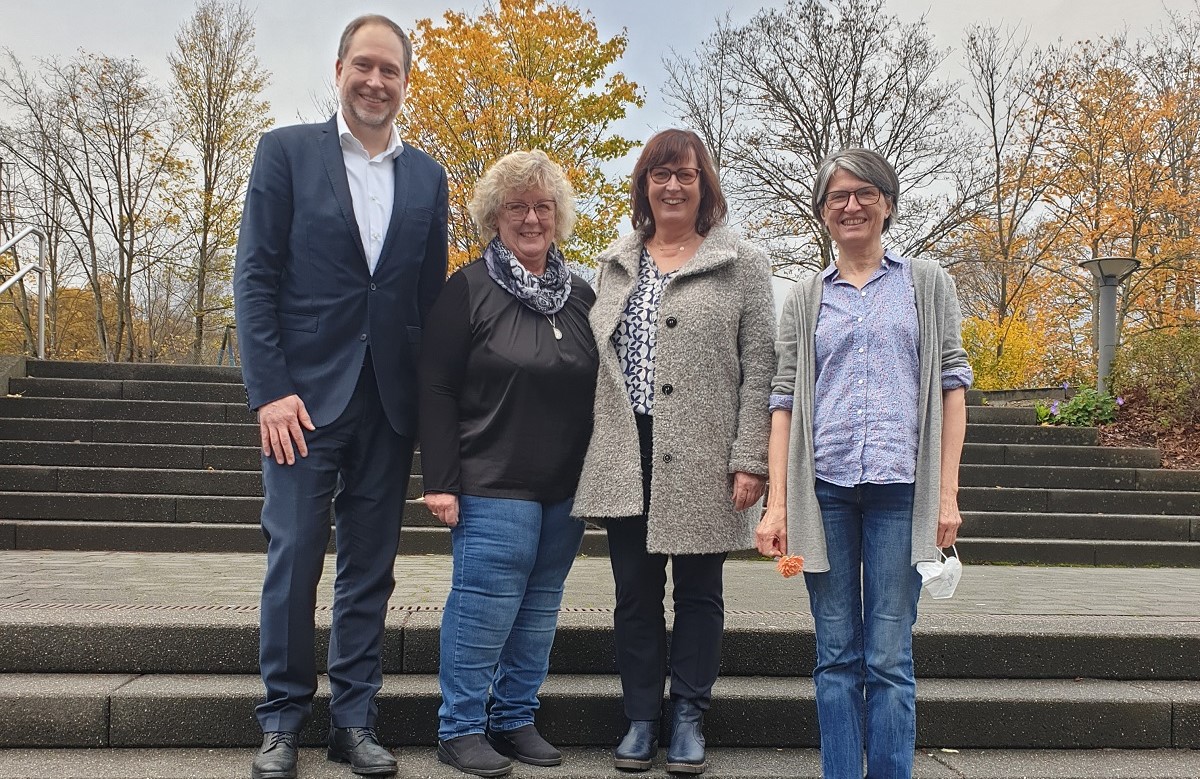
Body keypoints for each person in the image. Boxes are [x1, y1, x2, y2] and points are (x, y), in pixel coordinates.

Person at [234, 14, 448, 779]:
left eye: (390, 70)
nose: (376, 81)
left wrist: (432, 416)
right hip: (301, 405)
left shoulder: (427, 176)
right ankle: (283, 719)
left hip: (386, 406)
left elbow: (426, 302)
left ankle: (353, 719)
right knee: (294, 559)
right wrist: (269, 390)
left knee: (371, 566)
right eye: (364, 65)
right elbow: (254, 279)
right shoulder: (285, 153)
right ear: (339, 69)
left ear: (404, 82)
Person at [754, 148, 973, 778]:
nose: (850, 205)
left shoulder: (926, 284)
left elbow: (951, 387)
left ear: (887, 203)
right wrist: (777, 506)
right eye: (837, 197)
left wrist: (947, 494)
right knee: (836, 653)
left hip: (901, 494)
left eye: (864, 193)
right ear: (823, 212)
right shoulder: (804, 296)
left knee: (888, 655)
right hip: (823, 494)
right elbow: (783, 400)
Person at [572, 129, 776, 776]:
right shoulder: (614, 263)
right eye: (660, 175)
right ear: (644, 186)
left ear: (704, 183)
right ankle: (640, 717)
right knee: (633, 590)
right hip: (626, 448)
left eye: (685, 174)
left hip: (704, 452)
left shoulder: (743, 262)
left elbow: (762, 366)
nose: (672, 186)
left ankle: (687, 713)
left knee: (698, 591)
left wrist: (752, 456)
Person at [419, 150, 598, 778]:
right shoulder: (467, 288)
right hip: (490, 481)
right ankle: (460, 727)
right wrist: (439, 481)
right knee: (483, 607)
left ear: (559, 217)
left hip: (564, 488)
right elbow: (436, 387)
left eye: (542, 207)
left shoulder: (580, 295)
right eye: (516, 207)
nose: (530, 218)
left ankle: (514, 716)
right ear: (495, 216)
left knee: (541, 607)